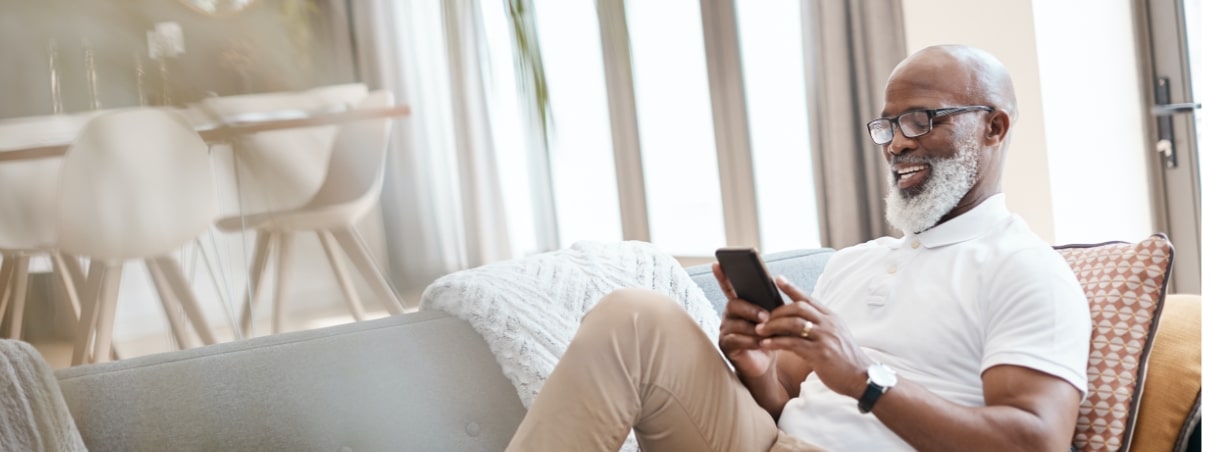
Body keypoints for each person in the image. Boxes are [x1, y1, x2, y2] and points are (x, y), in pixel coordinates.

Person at [505, 44, 1091, 451]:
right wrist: (756, 367)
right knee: (636, 315)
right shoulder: (853, 262)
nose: (895, 145)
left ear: (995, 128)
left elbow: (1035, 440)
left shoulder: (1025, 270)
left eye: (920, 120)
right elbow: (788, 400)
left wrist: (865, 375)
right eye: (886, 126)